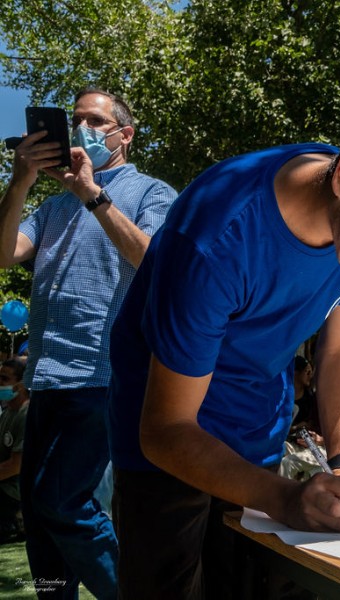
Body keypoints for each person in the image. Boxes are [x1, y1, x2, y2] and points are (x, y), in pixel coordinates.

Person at [106, 96, 340, 598]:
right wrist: (286, 500)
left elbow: (338, 353)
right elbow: (165, 430)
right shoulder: (217, 237)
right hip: (166, 453)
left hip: (256, 441)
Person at [0, 88, 177, 598]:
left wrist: (92, 194)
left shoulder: (151, 193)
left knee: (64, 501)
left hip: (102, 376)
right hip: (47, 377)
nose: (81, 129)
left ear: (125, 134)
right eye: (74, 120)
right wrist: (21, 179)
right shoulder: (52, 206)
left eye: (94, 121)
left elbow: (155, 262)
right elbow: (5, 251)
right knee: (39, 514)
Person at [0, 357, 28, 543]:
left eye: (4, 379)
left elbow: (16, 466)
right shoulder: (8, 412)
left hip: (12, 494)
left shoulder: (26, 414)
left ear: (21, 384)